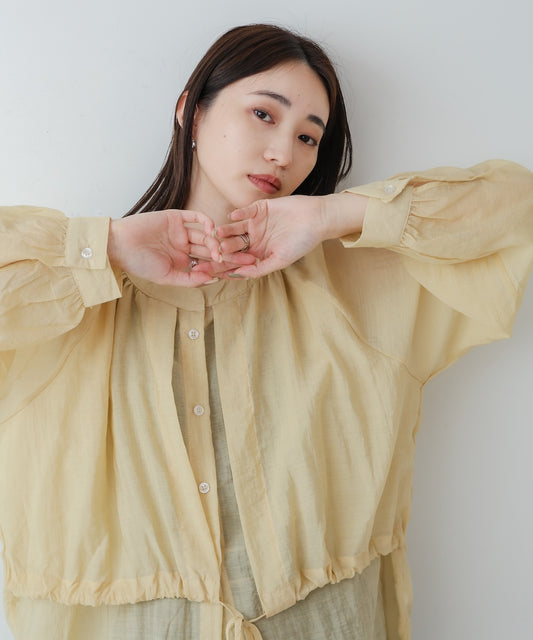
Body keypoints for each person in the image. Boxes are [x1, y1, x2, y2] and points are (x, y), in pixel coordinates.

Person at [0, 23, 531, 640]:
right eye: (263, 114)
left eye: (308, 136)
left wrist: (331, 214)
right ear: (191, 112)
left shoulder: (354, 285)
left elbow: (515, 206)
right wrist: (107, 246)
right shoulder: (61, 292)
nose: (284, 153)